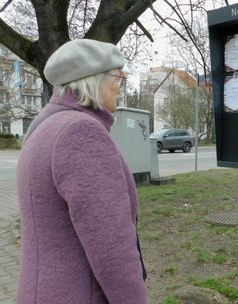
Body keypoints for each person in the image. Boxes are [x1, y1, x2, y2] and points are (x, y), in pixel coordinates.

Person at [16, 39, 147, 304]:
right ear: (93, 80)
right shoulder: (81, 132)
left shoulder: (44, 127)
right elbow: (112, 248)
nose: (121, 85)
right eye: (118, 76)